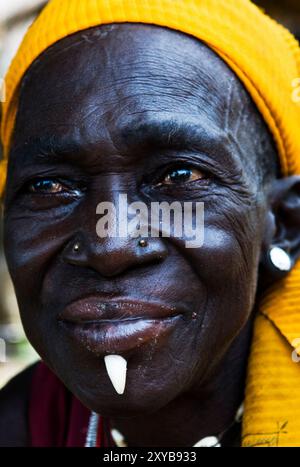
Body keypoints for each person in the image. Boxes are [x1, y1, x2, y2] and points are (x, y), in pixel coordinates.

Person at [0, 0, 300, 447]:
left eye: (178, 176)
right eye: (49, 185)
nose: (111, 246)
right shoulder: (22, 425)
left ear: (284, 223)